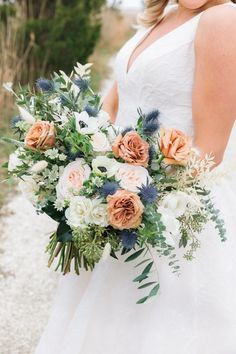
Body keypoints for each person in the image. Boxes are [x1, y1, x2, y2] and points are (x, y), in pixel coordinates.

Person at [35, 1, 236, 353]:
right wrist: (79, 162)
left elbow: (210, 150)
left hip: (171, 214)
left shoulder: (223, 18)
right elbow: (111, 106)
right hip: (118, 201)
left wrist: (136, 196)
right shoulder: (162, 16)